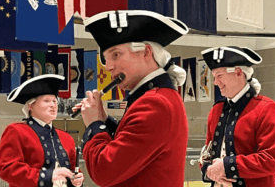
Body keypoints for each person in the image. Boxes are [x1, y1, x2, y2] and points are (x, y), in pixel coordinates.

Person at [71, 10, 189, 186]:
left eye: (116, 54)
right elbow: (132, 146)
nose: (109, 67)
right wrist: (104, 120)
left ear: (146, 52)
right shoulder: (158, 97)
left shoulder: (155, 103)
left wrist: (95, 125)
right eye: (106, 59)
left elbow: (104, 170)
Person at [199, 46, 275, 187]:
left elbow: (270, 160)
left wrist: (226, 166)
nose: (215, 82)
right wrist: (209, 170)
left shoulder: (265, 108)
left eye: (219, 76)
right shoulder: (216, 110)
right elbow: (207, 154)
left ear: (238, 72)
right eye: (214, 77)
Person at [0, 74, 84, 187]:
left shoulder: (66, 138)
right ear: (30, 106)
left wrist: (77, 179)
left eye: (54, 101)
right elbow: (7, 169)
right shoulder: (16, 131)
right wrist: (47, 176)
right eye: (46, 101)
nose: (53, 105)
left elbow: (73, 169)